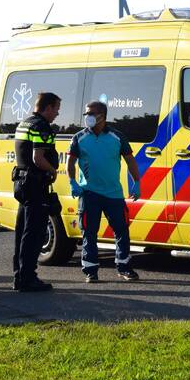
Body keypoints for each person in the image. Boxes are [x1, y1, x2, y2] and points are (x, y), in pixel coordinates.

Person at [67, 100, 142, 283]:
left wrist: (137, 182)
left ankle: (124, 267)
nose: (88, 117)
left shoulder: (117, 137)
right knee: (89, 233)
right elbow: (70, 162)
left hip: (113, 194)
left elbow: (130, 160)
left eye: (91, 114)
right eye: (86, 114)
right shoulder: (79, 137)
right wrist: (72, 182)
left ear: (102, 116)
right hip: (89, 193)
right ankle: (90, 271)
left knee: (122, 231)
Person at [12, 91, 61, 292]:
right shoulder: (41, 126)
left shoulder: (24, 123)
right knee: (34, 233)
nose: (57, 113)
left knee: (22, 231)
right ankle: (28, 278)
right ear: (48, 107)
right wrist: (53, 170)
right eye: (56, 109)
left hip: (22, 183)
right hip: (34, 185)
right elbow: (38, 158)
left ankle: (19, 275)